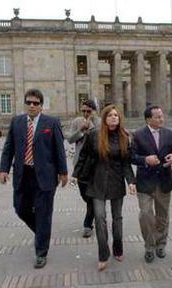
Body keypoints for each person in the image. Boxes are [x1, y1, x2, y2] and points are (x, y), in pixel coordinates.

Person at [0, 88, 68, 269]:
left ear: (41, 106)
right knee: (20, 208)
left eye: (35, 103)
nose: (31, 106)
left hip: (45, 176)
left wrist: (64, 172)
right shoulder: (17, 122)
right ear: (25, 104)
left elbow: (59, 149)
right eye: (28, 102)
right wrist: (3, 169)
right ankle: (42, 233)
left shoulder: (51, 123)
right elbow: (8, 148)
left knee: (44, 213)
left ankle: (41, 252)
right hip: (23, 174)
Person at [74, 104, 136, 271]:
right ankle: (103, 254)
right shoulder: (94, 135)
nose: (113, 117)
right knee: (100, 218)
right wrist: (75, 174)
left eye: (116, 115)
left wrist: (131, 181)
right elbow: (84, 155)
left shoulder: (124, 136)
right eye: (110, 115)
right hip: (97, 182)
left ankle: (118, 247)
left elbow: (126, 163)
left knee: (117, 218)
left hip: (116, 182)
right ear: (104, 118)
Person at [130, 105, 172, 263]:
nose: (161, 119)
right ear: (148, 119)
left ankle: (161, 244)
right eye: (157, 117)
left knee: (162, 216)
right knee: (146, 214)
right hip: (145, 183)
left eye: (162, 116)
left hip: (164, 181)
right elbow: (131, 156)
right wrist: (145, 160)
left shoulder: (170, 134)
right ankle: (149, 245)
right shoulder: (138, 135)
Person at [68, 99, 100, 238]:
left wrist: (91, 126)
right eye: (84, 111)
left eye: (89, 111)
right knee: (85, 196)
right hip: (80, 165)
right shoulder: (77, 122)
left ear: (94, 111)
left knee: (92, 195)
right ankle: (95, 210)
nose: (86, 114)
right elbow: (69, 139)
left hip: (96, 165)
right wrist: (81, 130)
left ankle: (88, 224)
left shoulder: (100, 122)